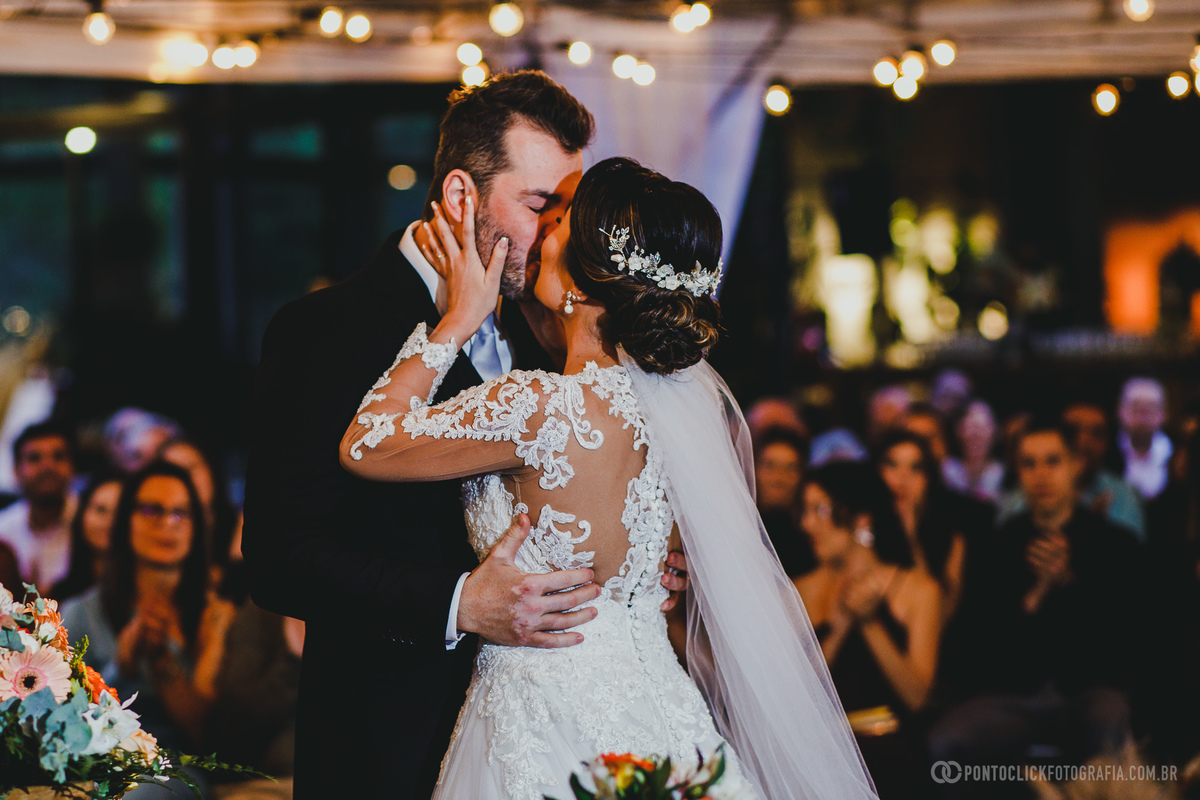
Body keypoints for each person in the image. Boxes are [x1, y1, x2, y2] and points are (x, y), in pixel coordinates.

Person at [341, 157, 878, 799]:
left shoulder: (539, 406)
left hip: (540, 716)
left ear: (585, 281)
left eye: (560, 224)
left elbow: (365, 445)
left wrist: (457, 320)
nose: (543, 235)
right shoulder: (677, 409)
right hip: (658, 707)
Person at [243, 72, 691, 800]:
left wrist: (644, 562)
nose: (557, 234)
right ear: (460, 197)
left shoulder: (557, 326)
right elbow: (278, 557)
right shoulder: (323, 330)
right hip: (389, 747)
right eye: (540, 206)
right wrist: (457, 603)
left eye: (566, 211)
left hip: (559, 741)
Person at [929, 419, 1139, 799]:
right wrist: (1037, 594)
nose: (1041, 474)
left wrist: (1069, 583)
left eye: (1052, 461)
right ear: (1018, 472)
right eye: (1029, 464)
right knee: (946, 742)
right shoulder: (996, 545)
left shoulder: (1114, 544)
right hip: (1014, 695)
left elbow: (1123, 641)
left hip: (1088, 690)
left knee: (1111, 723)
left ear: (1075, 466)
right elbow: (979, 646)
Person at [60, 462, 231, 797]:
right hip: (92, 761)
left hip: (173, 767)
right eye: (153, 510)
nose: (167, 524)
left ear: (196, 527)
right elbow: (63, 724)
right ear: (126, 519)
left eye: (181, 513)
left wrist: (163, 662)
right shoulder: (82, 612)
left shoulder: (215, 614)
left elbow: (210, 736)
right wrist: (119, 668)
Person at [793, 462, 941, 799]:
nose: (807, 523)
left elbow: (917, 697)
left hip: (889, 749)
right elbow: (791, 695)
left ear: (861, 519)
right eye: (804, 511)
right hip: (818, 750)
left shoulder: (918, 590)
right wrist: (840, 629)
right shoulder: (799, 591)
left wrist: (871, 623)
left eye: (820, 510)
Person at [875, 430, 967, 622]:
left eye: (915, 468)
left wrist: (911, 537)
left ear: (929, 478)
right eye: (892, 464)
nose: (902, 477)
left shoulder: (951, 537)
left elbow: (941, 614)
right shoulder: (861, 525)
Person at [0, 421, 77, 594]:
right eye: (34, 458)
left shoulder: (92, 522)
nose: (47, 467)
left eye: (58, 456)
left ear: (73, 466)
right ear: (16, 470)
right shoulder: (3, 529)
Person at [754, 425, 815, 577]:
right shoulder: (738, 527)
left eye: (790, 468)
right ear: (753, 469)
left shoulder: (813, 536)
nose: (779, 478)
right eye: (770, 466)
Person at [53, 471, 122, 601]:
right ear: (82, 513)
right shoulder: (61, 594)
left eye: (119, 512)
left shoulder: (142, 595)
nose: (110, 521)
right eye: (101, 510)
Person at [1116, 377, 1171, 501]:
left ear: (1164, 414)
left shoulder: (1178, 458)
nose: (1142, 415)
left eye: (1151, 408)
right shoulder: (1106, 453)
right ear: (1120, 411)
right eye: (1135, 407)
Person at [942, 399, 1004, 504]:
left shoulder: (1004, 474)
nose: (976, 434)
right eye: (971, 427)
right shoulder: (946, 471)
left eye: (982, 427)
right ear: (958, 430)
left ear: (996, 432)